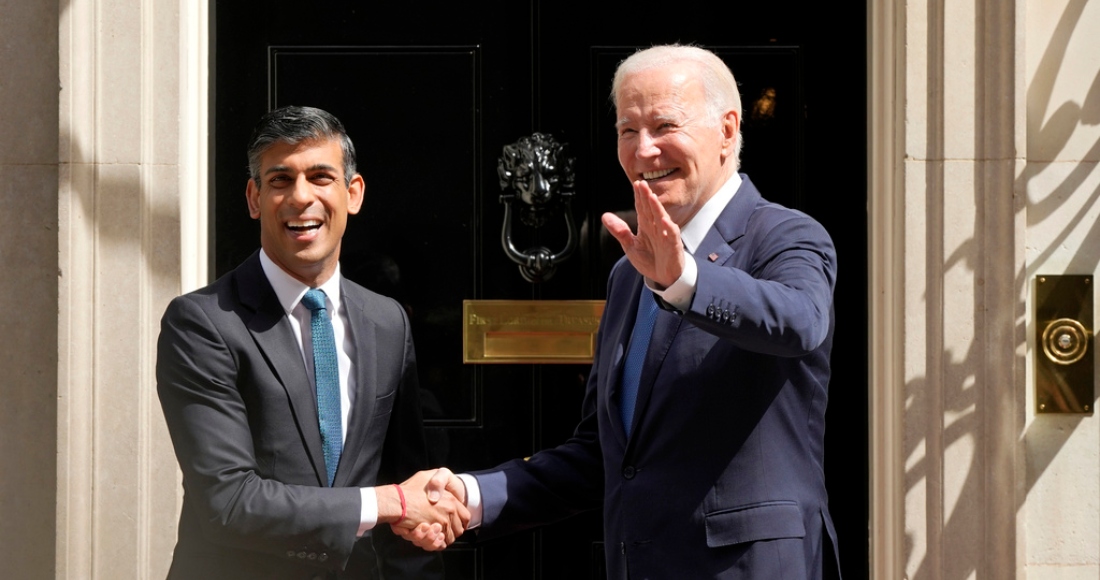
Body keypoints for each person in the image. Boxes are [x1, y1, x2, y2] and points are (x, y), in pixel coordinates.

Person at [405, 45, 841, 578]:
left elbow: (800, 322)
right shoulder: (629, 275)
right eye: (627, 131)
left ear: (728, 130)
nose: (644, 150)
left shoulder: (785, 235)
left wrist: (685, 281)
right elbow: (602, 458)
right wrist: (471, 495)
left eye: (664, 125)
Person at [156, 105, 468, 580]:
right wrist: (390, 502)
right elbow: (229, 502)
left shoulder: (387, 322)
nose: (301, 197)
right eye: (280, 180)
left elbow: (401, 482)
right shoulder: (202, 323)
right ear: (254, 198)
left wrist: (415, 527)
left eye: (321, 177)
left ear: (353, 193)